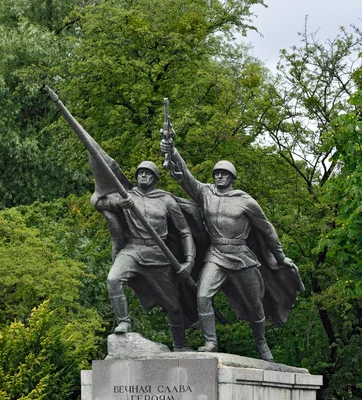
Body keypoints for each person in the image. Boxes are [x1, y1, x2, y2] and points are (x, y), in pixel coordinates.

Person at [160, 140, 303, 361]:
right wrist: (172, 151)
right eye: (217, 173)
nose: (219, 177)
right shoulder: (206, 193)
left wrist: (280, 256)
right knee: (203, 295)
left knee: (256, 305)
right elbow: (185, 177)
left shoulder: (245, 201)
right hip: (216, 255)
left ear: (232, 178)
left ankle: (261, 342)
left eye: (224, 174)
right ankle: (211, 342)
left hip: (242, 257)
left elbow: (267, 229)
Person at [94, 160, 197, 351]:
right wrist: (119, 202)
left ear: (155, 178)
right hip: (133, 250)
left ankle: (180, 345)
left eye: (147, 173)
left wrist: (189, 261)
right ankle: (124, 321)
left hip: (159, 255)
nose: (143, 175)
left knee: (173, 306)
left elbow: (184, 231)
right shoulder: (128, 195)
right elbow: (98, 202)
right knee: (113, 279)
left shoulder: (166, 200)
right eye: (140, 172)